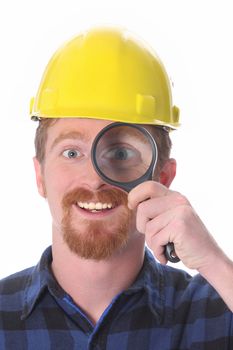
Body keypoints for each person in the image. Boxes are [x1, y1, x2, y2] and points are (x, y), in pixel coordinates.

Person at [0, 26, 232, 350]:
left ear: (163, 178)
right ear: (39, 176)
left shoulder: (216, 308)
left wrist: (215, 263)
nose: (95, 179)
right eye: (71, 152)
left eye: (121, 153)